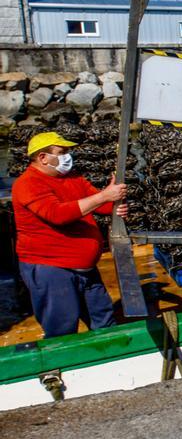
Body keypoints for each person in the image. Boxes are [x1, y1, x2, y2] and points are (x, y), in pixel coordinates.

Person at [11, 131, 128, 338]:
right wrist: (103, 196)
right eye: (61, 152)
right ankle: (60, 367)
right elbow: (57, 214)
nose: (67, 156)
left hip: (85, 267)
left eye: (68, 151)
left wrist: (114, 204)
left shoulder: (72, 178)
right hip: (52, 268)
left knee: (103, 318)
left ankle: (108, 358)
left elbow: (98, 203)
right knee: (61, 328)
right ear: (42, 158)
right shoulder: (27, 184)